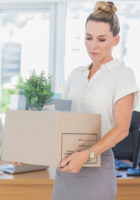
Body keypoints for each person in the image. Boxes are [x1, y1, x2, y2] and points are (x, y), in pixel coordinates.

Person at [52, 1, 139, 200]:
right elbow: (58, 119)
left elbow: (122, 129)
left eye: (101, 39)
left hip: (97, 166)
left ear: (115, 40)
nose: (93, 45)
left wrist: (86, 155)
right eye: (88, 38)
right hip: (66, 166)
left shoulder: (122, 75)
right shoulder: (76, 74)